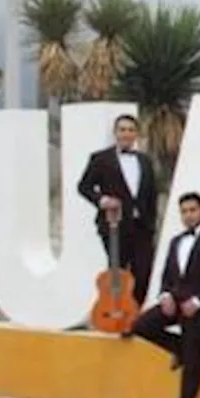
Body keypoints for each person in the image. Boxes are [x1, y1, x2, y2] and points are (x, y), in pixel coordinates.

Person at [130, 192, 200, 398]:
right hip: (176, 301)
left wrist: (198, 301)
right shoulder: (176, 241)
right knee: (141, 325)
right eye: (184, 211)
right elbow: (168, 275)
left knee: (194, 353)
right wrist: (165, 296)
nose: (188, 215)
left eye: (192, 210)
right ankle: (178, 347)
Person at [76, 113, 158, 308]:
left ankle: (134, 314)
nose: (126, 134)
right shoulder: (100, 159)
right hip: (115, 225)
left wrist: (152, 223)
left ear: (137, 134)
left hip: (142, 227)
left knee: (143, 271)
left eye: (131, 130)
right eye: (122, 129)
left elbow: (151, 194)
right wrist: (102, 200)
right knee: (117, 273)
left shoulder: (145, 161)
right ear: (115, 133)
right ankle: (116, 313)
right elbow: (84, 186)